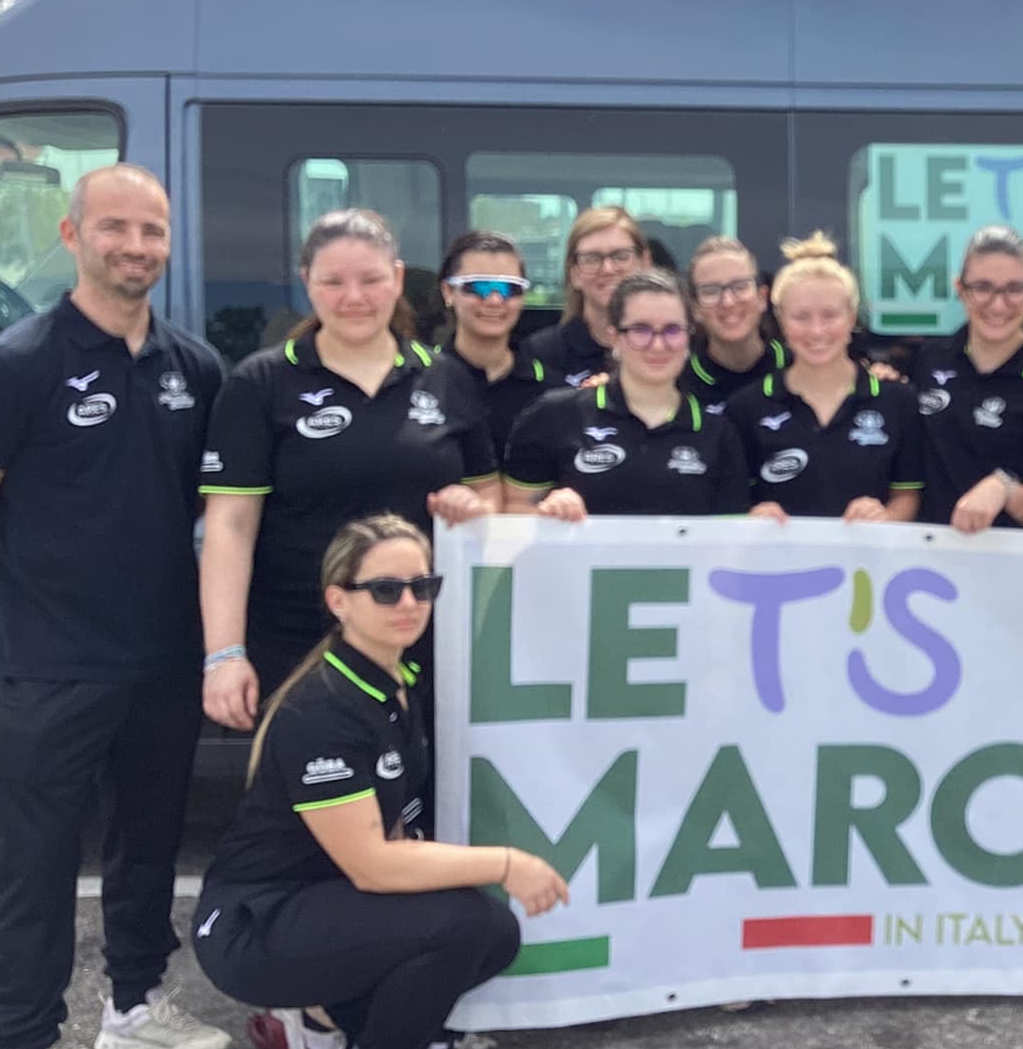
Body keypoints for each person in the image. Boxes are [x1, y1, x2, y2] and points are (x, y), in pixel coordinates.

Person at [0, 165, 231, 1049]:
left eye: (152, 230)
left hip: (164, 657)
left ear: (169, 245)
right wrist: (36, 598)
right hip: (50, 666)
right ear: (73, 234)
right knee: (32, 867)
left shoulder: (192, 366)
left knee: (148, 841)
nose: (135, 245)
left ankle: (134, 1004)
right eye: (115, 226)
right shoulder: (13, 364)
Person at [194, 515, 568, 1049]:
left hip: (307, 905)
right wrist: (507, 862)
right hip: (250, 928)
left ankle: (312, 1027)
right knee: (470, 925)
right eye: (386, 589)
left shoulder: (395, 677)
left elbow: (388, 831)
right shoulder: (324, 708)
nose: (410, 603)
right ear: (339, 599)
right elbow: (371, 865)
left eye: (423, 586)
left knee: (471, 928)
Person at [200, 209, 497, 731]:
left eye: (371, 279)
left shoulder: (448, 379)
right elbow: (228, 527)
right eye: (333, 281)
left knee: (419, 805)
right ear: (307, 283)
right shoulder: (262, 384)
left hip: (421, 641)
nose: (353, 297)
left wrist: (472, 509)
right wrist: (224, 655)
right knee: (314, 806)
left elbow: (488, 502)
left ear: (398, 279)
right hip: (298, 644)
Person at [505, 271, 748, 518]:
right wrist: (547, 509)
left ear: (689, 337)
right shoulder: (553, 415)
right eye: (640, 330)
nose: (658, 345)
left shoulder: (718, 434)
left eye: (672, 330)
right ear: (615, 338)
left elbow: (731, 544)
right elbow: (513, 516)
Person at [725, 233, 923, 520]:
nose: (817, 331)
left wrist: (886, 517)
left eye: (830, 315)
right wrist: (754, 515)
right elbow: (733, 503)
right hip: (780, 564)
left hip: (869, 564)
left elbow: (907, 495)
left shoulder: (898, 401)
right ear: (780, 319)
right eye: (801, 317)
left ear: (852, 317)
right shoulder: (746, 408)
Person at [912, 226, 1023, 532]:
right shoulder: (929, 360)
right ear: (960, 288)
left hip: (1008, 570)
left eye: (1014, 289)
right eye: (983, 287)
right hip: (930, 565)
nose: (998, 303)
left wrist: (1007, 491)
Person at [434, 230, 553, 455]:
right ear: (448, 291)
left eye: (510, 288)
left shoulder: (552, 391)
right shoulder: (420, 383)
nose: (495, 300)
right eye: (479, 287)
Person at [523, 206, 652, 386]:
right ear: (574, 273)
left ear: (645, 263)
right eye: (592, 258)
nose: (607, 269)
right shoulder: (542, 353)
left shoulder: (672, 347)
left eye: (621, 256)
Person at [680, 235, 787, 414]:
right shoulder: (678, 385)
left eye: (740, 286)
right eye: (711, 291)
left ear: (762, 297)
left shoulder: (797, 368)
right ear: (695, 308)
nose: (728, 302)